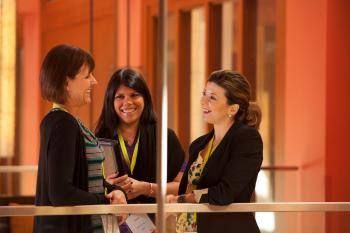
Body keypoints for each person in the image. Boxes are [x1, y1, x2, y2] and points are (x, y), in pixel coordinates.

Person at [33, 44, 127, 233]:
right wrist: (105, 201)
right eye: (87, 76)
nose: (94, 81)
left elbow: (85, 180)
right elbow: (61, 193)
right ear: (66, 83)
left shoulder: (68, 121)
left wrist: (116, 191)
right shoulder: (63, 123)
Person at [169, 70, 263, 233]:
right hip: (188, 228)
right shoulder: (198, 145)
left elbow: (224, 192)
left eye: (212, 97)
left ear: (232, 109)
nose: (203, 101)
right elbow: (186, 187)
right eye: (204, 94)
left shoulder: (247, 139)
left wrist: (184, 199)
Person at [95, 68, 185, 232]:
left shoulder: (165, 137)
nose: (127, 102)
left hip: (157, 224)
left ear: (145, 98)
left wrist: (148, 188)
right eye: (120, 97)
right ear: (111, 101)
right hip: (112, 224)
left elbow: (182, 186)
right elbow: (89, 186)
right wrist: (109, 187)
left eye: (134, 95)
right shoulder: (100, 138)